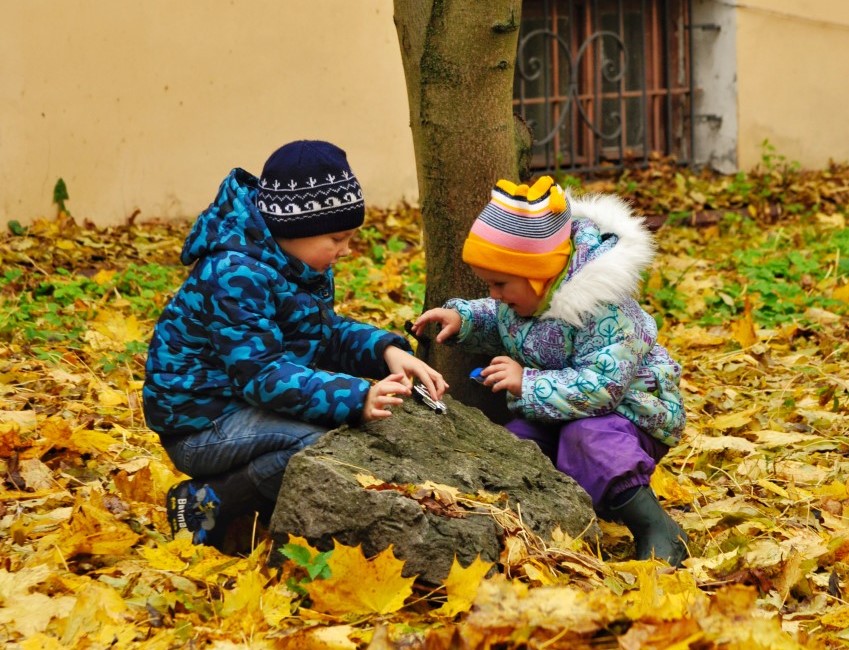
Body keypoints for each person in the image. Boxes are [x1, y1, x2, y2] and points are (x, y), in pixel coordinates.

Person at [143, 140, 447, 547]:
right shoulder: (234, 274)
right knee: (316, 443)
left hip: (239, 406)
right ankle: (207, 502)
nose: (346, 250)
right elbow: (263, 376)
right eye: (337, 238)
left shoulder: (295, 264)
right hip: (200, 424)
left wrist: (385, 351)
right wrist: (357, 396)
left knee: (331, 429)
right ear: (293, 228)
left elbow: (324, 334)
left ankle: (256, 504)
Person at [411, 176, 688, 566]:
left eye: (499, 284)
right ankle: (545, 519)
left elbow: (602, 388)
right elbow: (502, 318)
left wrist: (527, 382)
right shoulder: (528, 298)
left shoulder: (604, 309)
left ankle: (655, 526)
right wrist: (465, 319)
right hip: (561, 407)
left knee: (587, 439)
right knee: (518, 442)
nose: (493, 294)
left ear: (538, 274)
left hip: (631, 413)